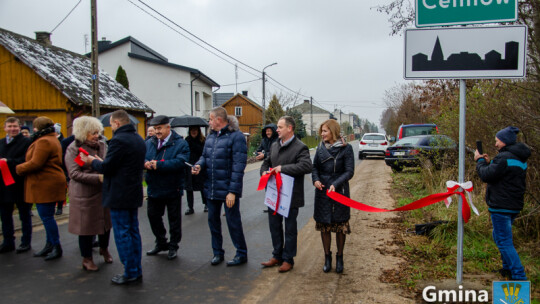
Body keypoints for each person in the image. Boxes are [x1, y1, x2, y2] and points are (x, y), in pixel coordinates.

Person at [81, 110, 146, 285]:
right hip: (133, 191)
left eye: (111, 124)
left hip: (119, 193)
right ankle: (135, 269)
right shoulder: (139, 138)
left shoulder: (118, 140)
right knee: (133, 232)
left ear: (117, 123)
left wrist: (92, 162)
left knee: (122, 233)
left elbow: (108, 167)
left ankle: (130, 271)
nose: (110, 127)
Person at [192, 107, 248, 267]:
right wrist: (198, 165)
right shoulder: (210, 136)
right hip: (211, 187)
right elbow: (204, 156)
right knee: (213, 221)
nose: (208, 122)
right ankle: (217, 252)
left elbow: (239, 166)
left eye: (210, 119)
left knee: (233, 221)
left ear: (219, 120)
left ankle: (241, 253)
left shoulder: (236, 137)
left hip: (228, 189)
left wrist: (232, 192)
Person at [475, 126, 530, 281]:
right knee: (500, 236)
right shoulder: (518, 158)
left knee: (503, 240)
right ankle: (508, 269)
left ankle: (519, 275)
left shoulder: (504, 158)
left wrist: (479, 161)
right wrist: (489, 162)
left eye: (497, 141)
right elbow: (500, 173)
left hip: (501, 205)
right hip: (513, 205)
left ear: (504, 142)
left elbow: (486, 175)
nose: (495, 144)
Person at [260, 116, 312, 273]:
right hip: (274, 194)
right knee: (274, 226)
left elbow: (306, 166)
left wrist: (283, 168)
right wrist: (264, 173)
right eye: (277, 127)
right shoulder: (275, 145)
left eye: (280, 127)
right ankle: (277, 255)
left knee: (289, 228)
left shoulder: (300, 147)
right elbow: (266, 162)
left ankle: (288, 259)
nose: (277, 130)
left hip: (291, 196)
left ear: (290, 128)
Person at [65, 116, 113, 271]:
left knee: (105, 224)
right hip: (84, 194)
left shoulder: (102, 145)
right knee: (85, 228)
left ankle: (104, 248)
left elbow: (106, 164)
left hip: (102, 191)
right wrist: (98, 177)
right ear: (83, 132)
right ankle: (87, 258)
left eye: (98, 132)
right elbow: (74, 174)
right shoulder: (73, 148)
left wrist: (103, 169)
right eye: (93, 132)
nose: (96, 135)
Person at [16, 117, 66, 261]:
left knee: (46, 216)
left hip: (45, 183)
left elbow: (36, 163)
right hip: (48, 181)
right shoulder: (51, 138)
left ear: (38, 127)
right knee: (47, 216)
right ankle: (49, 244)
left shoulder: (44, 141)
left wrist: (18, 168)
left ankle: (56, 246)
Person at [144, 115, 189, 260]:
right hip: (154, 186)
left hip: (172, 186)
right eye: (155, 128)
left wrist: (159, 165)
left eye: (159, 128)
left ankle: (173, 245)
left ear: (168, 127)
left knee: (174, 219)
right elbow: (142, 157)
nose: (157, 132)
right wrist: (145, 163)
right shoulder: (149, 143)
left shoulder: (180, 143)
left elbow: (181, 162)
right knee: (153, 216)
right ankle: (161, 242)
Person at [312, 119, 354, 273]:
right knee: (325, 226)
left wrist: (335, 184)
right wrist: (315, 180)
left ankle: (340, 257)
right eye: (321, 131)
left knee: (340, 225)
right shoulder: (320, 148)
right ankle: (327, 257)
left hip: (339, 191)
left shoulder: (346, 149)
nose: (322, 134)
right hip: (323, 192)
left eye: (325, 131)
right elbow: (315, 167)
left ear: (333, 131)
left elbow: (349, 171)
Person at [0, 117, 32, 254]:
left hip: (20, 183)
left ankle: (25, 242)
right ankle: (8, 242)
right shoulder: (0, 143)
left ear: (20, 127)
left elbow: (27, 160)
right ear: (4, 128)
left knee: (24, 214)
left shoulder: (26, 142)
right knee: (5, 215)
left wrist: (9, 161)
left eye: (15, 126)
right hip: (3, 184)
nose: (12, 129)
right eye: (10, 126)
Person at [256, 123, 279, 213]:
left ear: (273, 131)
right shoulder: (264, 140)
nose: (267, 132)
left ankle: (277, 205)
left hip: (276, 166)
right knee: (268, 186)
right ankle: (270, 206)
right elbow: (259, 149)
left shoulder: (277, 140)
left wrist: (264, 154)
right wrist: (257, 153)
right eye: (266, 131)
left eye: (269, 131)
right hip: (267, 166)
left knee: (276, 186)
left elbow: (275, 152)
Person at [184, 126, 207, 215]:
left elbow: (203, 152)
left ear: (198, 131)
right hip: (189, 166)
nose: (193, 132)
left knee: (202, 186)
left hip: (199, 165)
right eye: (192, 130)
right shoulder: (187, 140)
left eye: (195, 130)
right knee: (189, 188)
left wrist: (194, 145)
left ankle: (206, 204)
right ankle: (190, 207)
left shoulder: (202, 140)